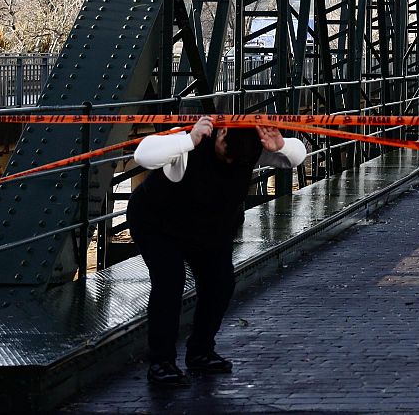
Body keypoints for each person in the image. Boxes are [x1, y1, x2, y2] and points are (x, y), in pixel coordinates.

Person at [128, 117, 306, 386]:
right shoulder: (192, 145)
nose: (230, 163)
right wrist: (188, 139)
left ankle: (200, 351)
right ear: (220, 134)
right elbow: (143, 154)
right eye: (227, 154)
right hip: (157, 224)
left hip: (208, 228)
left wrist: (280, 145)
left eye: (238, 161)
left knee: (221, 283)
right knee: (169, 282)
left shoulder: (247, 149)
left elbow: (294, 157)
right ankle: (161, 363)